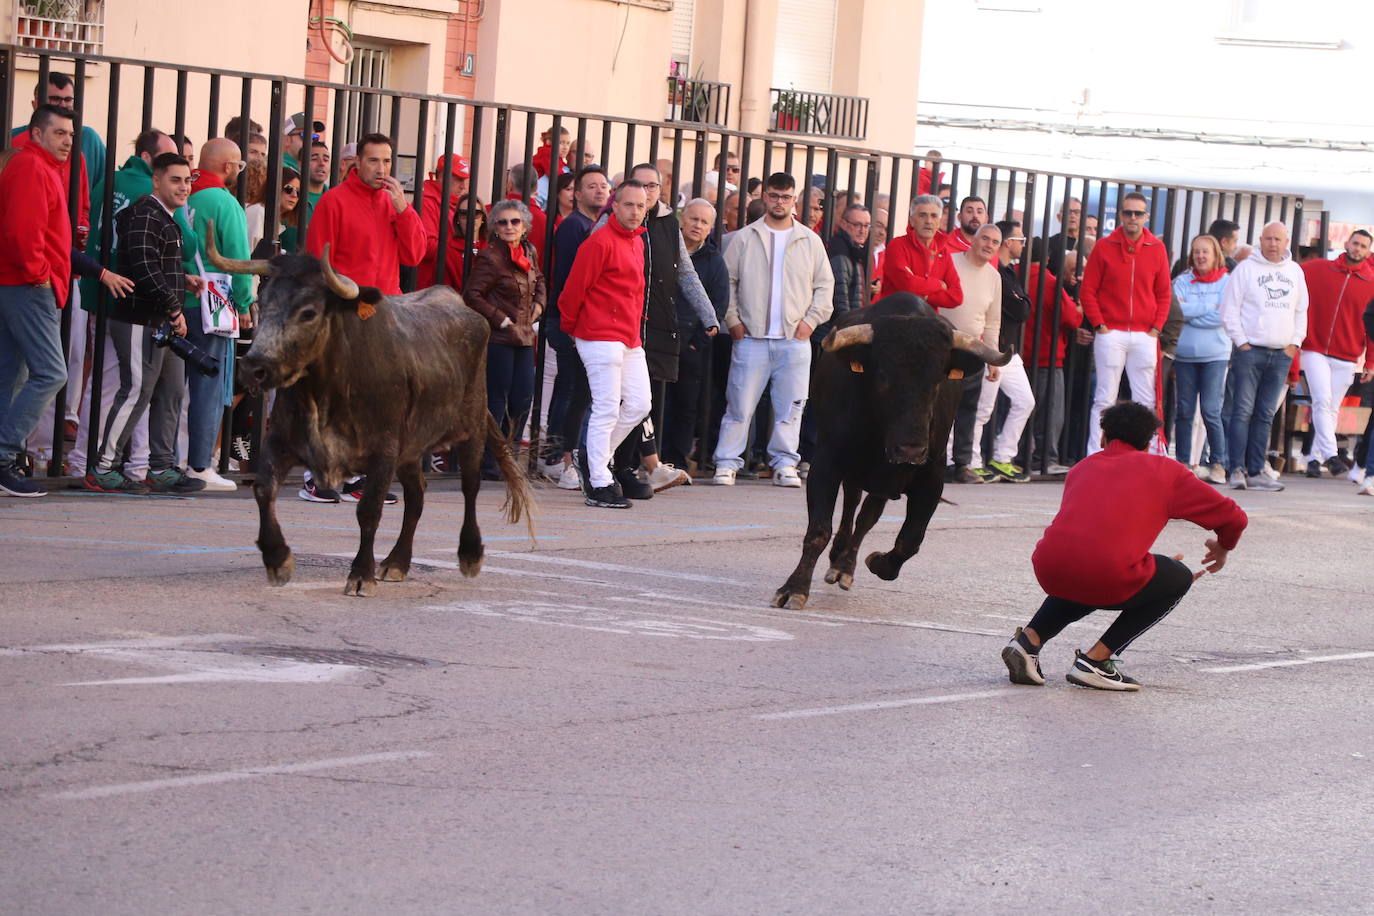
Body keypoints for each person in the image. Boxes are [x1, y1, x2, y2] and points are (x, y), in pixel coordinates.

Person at [1000, 401, 1247, 691]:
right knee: (1176, 575)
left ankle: (1029, 639)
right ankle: (1096, 662)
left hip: (1049, 568)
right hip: (1106, 571)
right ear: (1148, 443)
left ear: (1103, 437)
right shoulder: (1166, 471)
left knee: (1090, 570)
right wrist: (1223, 547)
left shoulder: (1082, 467)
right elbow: (1234, 517)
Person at [86, 152, 206, 494]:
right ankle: (103, 468)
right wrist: (173, 307)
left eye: (187, 180)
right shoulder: (144, 214)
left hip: (159, 321)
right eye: (175, 180)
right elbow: (144, 268)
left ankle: (162, 467)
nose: (184, 187)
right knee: (135, 391)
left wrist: (181, 280)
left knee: (171, 392)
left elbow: (153, 263)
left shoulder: (163, 216)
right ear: (156, 181)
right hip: (142, 320)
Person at [599, 163, 719, 497]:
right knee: (620, 401)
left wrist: (707, 313)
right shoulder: (612, 224)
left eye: (653, 186)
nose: (647, 193)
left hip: (657, 324)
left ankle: (624, 468)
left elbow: (686, 273)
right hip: (616, 324)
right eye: (641, 186)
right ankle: (601, 465)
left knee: (641, 401)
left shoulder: (667, 223)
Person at [711, 172, 834, 488]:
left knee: (791, 406)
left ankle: (784, 463)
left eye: (786, 197)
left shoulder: (809, 240)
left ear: (794, 200)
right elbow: (728, 284)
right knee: (739, 404)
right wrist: (734, 322)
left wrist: (809, 322)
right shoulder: (745, 237)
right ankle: (726, 463)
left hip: (794, 339)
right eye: (774, 196)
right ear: (764, 197)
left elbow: (824, 286)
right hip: (751, 338)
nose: (780, 202)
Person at [0, 105, 91, 495]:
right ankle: (4, 455)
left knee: (11, 375)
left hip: (22, 283)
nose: (68, 141)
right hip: (28, 285)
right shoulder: (31, 168)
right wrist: (42, 277)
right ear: (37, 134)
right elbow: (22, 235)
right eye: (59, 133)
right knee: (52, 372)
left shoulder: (38, 168)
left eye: (71, 134)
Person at [558, 179, 651, 509]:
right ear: (615, 205)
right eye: (629, 204)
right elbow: (572, 291)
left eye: (641, 205)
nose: (635, 211)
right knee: (607, 406)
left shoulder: (637, 242)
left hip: (628, 335)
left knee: (640, 404)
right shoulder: (599, 242)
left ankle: (593, 459)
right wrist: (572, 329)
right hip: (597, 333)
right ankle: (598, 480)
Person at [185, 138, 254, 492]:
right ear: (228, 167)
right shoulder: (224, 202)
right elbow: (238, 259)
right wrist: (244, 303)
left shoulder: (186, 194)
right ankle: (199, 463)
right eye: (239, 166)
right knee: (210, 385)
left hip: (180, 299)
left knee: (174, 390)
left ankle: (173, 459)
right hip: (213, 302)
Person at [1080, 191, 1171, 455]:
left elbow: (1164, 292)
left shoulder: (1157, 248)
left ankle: (1148, 454)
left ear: (1146, 216)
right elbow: (1088, 290)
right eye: (1128, 212)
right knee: (1104, 397)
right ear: (1120, 215)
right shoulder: (1104, 246)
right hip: (1112, 332)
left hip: (1144, 334)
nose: (1133, 218)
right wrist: (1100, 326)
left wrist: (1155, 329)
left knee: (1146, 400)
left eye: (1138, 213)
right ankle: (1095, 455)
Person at [1219, 221, 1307, 491]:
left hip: (1281, 354)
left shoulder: (1295, 272)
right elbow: (1228, 309)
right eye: (1268, 239)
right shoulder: (1246, 269)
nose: (1272, 244)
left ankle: (1257, 470)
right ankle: (1236, 468)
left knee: (1265, 414)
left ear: (1286, 241)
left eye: (1277, 239)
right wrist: (1242, 342)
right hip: (1250, 351)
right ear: (1260, 240)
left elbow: (1302, 311)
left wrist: (1294, 344)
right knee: (1242, 411)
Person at [540, 166, 611, 489]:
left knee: (579, 391)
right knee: (570, 390)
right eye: (591, 186)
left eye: (603, 186)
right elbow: (571, 280)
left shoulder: (596, 226)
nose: (599, 191)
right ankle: (556, 458)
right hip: (569, 320)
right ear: (577, 194)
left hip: (585, 322)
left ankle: (565, 455)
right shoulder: (573, 227)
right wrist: (571, 323)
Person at [464, 199, 546, 479]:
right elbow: (472, 295)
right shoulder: (490, 256)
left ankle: (507, 455)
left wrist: (540, 304)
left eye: (515, 221)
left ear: (524, 226)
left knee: (523, 399)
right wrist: (501, 318)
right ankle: (490, 460)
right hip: (499, 338)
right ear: (494, 227)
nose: (509, 226)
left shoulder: (529, 251)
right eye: (502, 222)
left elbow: (540, 280)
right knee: (496, 400)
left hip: (524, 337)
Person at [307, 133, 424, 295]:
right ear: (358, 162)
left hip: (387, 304)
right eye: (373, 161)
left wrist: (404, 211)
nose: (381, 170)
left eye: (386, 161)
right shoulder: (333, 200)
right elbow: (318, 263)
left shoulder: (395, 202)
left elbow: (414, 256)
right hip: (348, 305)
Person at [1299, 229, 1374, 478]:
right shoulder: (1320, 269)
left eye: (1363, 246)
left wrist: (1371, 362)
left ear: (1368, 251)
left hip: (1348, 355)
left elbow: (1372, 325)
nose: (1358, 249)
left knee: (1330, 408)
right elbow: (1290, 273)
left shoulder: (1371, 283)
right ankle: (1331, 456)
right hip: (1314, 348)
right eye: (1355, 243)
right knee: (1321, 400)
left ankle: (1313, 458)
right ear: (1346, 243)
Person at [663, 199, 729, 476]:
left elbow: (719, 305)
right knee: (654, 401)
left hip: (691, 345)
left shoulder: (714, 261)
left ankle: (676, 461)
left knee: (686, 405)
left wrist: (696, 342)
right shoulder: (667, 249)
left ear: (710, 228)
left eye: (704, 222)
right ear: (682, 218)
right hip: (660, 338)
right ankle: (646, 458)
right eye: (693, 219)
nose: (697, 225)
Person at [973, 220, 1035, 482]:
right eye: (1020, 240)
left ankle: (1002, 457)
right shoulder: (993, 271)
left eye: (994, 241)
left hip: (1008, 351)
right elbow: (1021, 309)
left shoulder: (1008, 272)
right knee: (981, 408)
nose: (1024, 245)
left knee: (1025, 401)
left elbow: (1024, 308)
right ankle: (969, 461)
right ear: (1010, 243)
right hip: (989, 348)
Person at [945, 224, 1004, 483]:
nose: (989, 245)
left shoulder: (994, 277)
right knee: (936, 407)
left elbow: (992, 322)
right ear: (974, 239)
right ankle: (934, 463)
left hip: (973, 350)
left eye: (995, 242)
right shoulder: (950, 262)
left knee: (968, 408)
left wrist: (992, 357)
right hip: (943, 344)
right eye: (985, 239)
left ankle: (961, 464)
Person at [1172, 234, 1231, 484]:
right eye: (1196, 251)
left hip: (1215, 355)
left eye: (1205, 251)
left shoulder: (1227, 282)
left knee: (1211, 410)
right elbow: (1176, 310)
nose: (1200, 256)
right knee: (1184, 410)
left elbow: (1222, 316)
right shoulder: (1182, 280)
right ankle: (1183, 463)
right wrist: (1209, 307)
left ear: (1215, 253)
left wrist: (1192, 311)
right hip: (1185, 355)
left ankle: (1218, 462)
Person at [1024, 250, 1084, 475]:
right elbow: (1071, 318)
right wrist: (1079, 306)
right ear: (1048, 259)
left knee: (1023, 410)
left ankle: (1021, 457)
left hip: (1023, 355)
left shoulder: (1016, 275)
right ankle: (1045, 460)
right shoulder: (1048, 283)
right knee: (1050, 413)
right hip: (1048, 356)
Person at [880, 194, 962, 309]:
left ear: (938, 222)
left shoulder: (943, 252)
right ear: (912, 221)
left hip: (928, 320)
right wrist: (939, 284)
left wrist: (925, 296)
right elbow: (907, 285)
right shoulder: (897, 245)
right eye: (922, 215)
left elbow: (957, 297)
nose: (928, 221)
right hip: (896, 317)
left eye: (934, 216)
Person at [416, 154, 471, 287]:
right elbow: (426, 246)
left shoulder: (455, 203)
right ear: (441, 176)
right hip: (430, 285)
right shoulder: (426, 202)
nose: (463, 186)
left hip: (448, 281)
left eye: (465, 180)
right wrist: (461, 249)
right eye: (458, 179)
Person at [506, 162, 549, 267]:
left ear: (509, 184)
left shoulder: (489, 212)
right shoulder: (546, 221)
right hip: (533, 280)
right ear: (536, 188)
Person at [442, 193, 487, 293]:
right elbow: (443, 292)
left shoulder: (491, 249)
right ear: (457, 219)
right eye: (463, 213)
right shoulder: (447, 250)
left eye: (476, 213)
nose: (470, 218)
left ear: (483, 218)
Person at [1044, 197, 1083, 278]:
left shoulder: (1087, 243)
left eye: (1077, 212)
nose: (1072, 215)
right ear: (1059, 217)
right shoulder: (1049, 243)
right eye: (1068, 212)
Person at [305, 140, 330, 217]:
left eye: (326, 160)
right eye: (314, 159)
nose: (322, 163)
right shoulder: (291, 196)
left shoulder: (336, 198)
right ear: (300, 163)